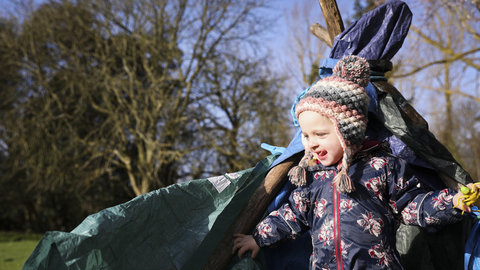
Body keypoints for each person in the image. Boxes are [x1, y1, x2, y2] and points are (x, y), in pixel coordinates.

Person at [231, 55, 473, 269]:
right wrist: (258, 238)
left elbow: (411, 205)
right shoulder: (312, 175)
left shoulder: (383, 167)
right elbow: (291, 214)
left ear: (348, 131)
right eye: (306, 136)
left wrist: (452, 202)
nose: (311, 143)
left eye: (320, 134)